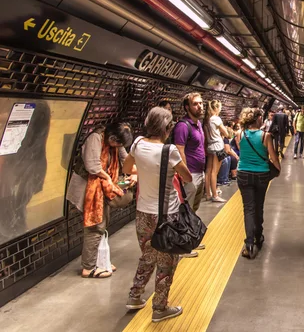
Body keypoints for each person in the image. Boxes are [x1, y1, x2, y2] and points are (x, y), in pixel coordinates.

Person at [123, 106, 192, 322]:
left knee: (148, 255)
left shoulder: (137, 143)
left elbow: (127, 169)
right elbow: (187, 178)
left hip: (143, 213)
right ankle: (160, 308)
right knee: (166, 262)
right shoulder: (169, 151)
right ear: (166, 127)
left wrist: (146, 172)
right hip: (166, 216)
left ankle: (135, 296)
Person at [66, 123, 134, 278]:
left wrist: (134, 174)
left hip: (101, 188)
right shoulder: (95, 138)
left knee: (103, 224)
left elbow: (126, 160)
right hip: (89, 188)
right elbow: (93, 167)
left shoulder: (115, 143)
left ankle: (100, 261)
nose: (119, 147)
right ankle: (88, 267)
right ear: (111, 138)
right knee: (95, 226)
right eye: (118, 144)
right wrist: (109, 178)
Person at [235, 108, 280, 259]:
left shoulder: (239, 134)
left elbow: (243, 152)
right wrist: (278, 169)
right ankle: (258, 237)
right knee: (258, 206)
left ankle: (248, 244)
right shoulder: (266, 136)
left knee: (248, 209)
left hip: (243, 174)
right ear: (257, 119)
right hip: (261, 174)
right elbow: (273, 157)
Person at [173, 92, 207, 256]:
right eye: (195, 104)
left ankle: (190, 240)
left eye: (201, 103)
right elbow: (179, 150)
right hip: (190, 174)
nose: (199, 106)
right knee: (184, 211)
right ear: (187, 107)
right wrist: (185, 175)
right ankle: (181, 246)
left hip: (199, 172)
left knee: (193, 209)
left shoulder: (198, 124)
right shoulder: (182, 126)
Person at [204, 100, 229, 202]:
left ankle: (208, 194)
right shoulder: (216, 119)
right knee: (215, 172)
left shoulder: (206, 120)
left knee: (208, 171)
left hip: (210, 147)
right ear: (216, 108)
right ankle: (215, 195)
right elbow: (227, 133)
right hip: (218, 147)